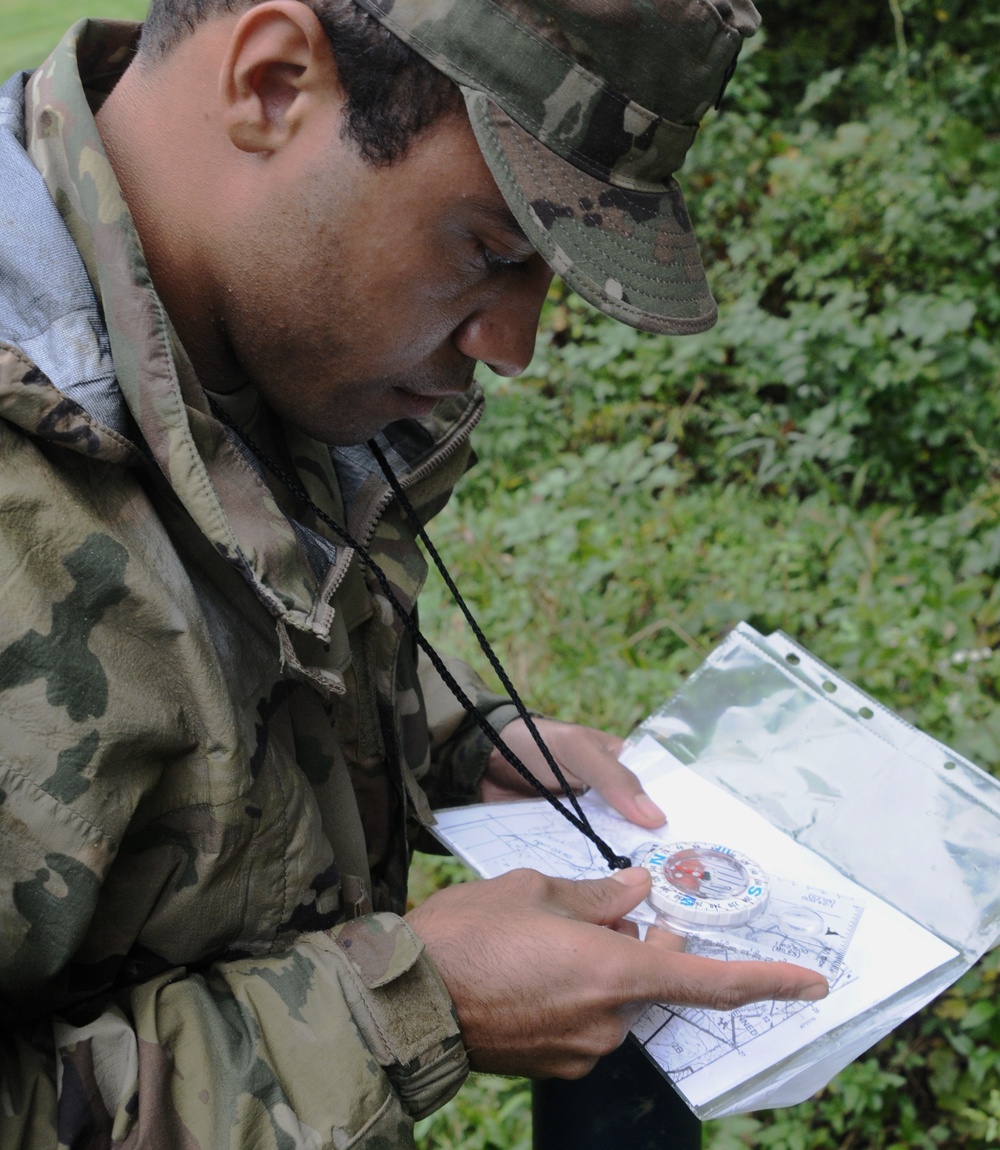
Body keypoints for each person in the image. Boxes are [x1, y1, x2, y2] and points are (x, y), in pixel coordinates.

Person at [0, 0, 829, 1145]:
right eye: (492, 252)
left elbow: (204, 628)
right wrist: (395, 1015)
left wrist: (448, 744)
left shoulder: (261, 348)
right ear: (273, 84)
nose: (514, 346)